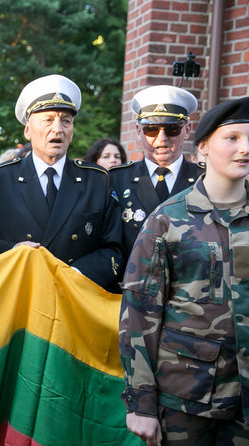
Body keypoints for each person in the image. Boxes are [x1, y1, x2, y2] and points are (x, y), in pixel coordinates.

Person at [119, 96, 249, 446]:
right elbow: (139, 311)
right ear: (203, 147)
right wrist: (140, 403)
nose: (245, 149)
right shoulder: (167, 220)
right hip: (186, 400)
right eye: (233, 138)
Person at [0, 74, 124, 291]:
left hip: (77, 296)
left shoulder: (97, 181)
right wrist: (13, 251)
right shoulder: (0, 180)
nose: (57, 129)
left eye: (65, 120)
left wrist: (76, 274)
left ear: (72, 131)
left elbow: (114, 249)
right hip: (20, 295)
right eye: (48, 120)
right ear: (28, 130)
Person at [110, 85, 205, 254]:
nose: (162, 139)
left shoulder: (204, 178)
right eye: (151, 130)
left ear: (187, 130)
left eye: (172, 129)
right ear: (139, 131)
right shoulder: (116, 179)